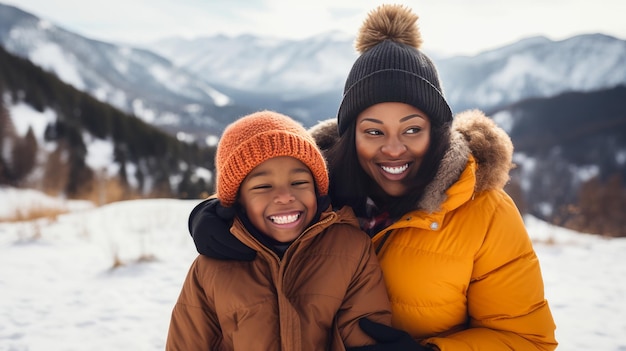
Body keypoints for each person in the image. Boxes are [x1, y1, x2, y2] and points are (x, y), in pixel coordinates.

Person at [187, 4, 558, 351]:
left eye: (412, 130)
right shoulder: (320, 192)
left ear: (437, 131)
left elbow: (527, 338)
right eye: (374, 132)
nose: (394, 149)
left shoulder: (484, 213)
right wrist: (225, 216)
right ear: (351, 136)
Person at [166, 110, 392, 351]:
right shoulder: (210, 270)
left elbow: (364, 336)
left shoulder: (351, 250)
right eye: (263, 186)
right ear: (238, 201)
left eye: (299, 183)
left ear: (317, 189)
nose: (285, 197)